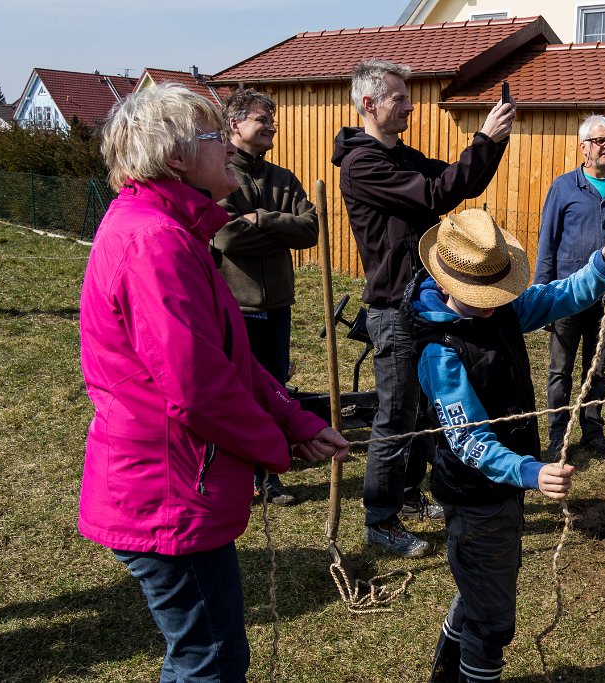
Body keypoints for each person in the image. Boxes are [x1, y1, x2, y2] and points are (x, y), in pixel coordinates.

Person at [78, 84, 350, 682]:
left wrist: (295, 420)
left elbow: (231, 360)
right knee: (211, 661)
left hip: (177, 480)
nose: (228, 144)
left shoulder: (174, 230)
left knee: (207, 655)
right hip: (167, 492)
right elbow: (198, 387)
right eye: (212, 136)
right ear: (176, 158)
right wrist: (275, 449)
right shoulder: (154, 241)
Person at [403, 208, 605, 683]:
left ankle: (447, 669)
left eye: (496, 292)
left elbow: (555, 297)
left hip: (500, 487)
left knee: (482, 587)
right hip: (475, 493)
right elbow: (467, 440)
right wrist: (531, 472)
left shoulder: (499, 308)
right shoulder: (440, 349)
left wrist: (599, 263)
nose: (493, 304)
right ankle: (473, 669)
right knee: (493, 619)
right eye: (481, 296)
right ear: (447, 284)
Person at [332, 59, 515, 557]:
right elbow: (436, 193)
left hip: (423, 298)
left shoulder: (397, 155)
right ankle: (380, 519)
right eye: (399, 98)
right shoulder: (363, 164)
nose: (409, 105)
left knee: (423, 407)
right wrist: (484, 138)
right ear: (368, 104)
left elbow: (461, 183)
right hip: (393, 306)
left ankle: (409, 495)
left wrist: (490, 145)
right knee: (395, 414)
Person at [212, 87, 320, 507]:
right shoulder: (220, 174)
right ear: (235, 124)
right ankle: (234, 473)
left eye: (272, 119)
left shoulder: (282, 179)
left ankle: (268, 476)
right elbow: (225, 237)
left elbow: (310, 231)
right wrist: (279, 233)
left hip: (276, 305)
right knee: (236, 390)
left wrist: (261, 219)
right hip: (233, 306)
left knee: (275, 388)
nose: (271, 125)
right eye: (262, 119)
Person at [533, 114, 605, 460]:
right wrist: (542, 296)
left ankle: (593, 433)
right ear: (583, 148)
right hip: (566, 295)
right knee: (559, 370)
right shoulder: (564, 187)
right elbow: (547, 242)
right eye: (600, 140)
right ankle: (556, 437)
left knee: (596, 369)